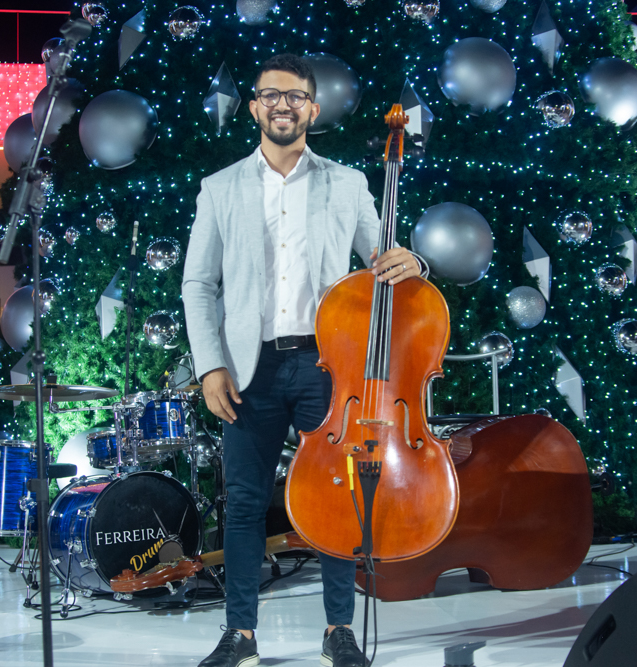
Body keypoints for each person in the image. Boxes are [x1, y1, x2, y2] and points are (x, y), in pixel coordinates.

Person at [181, 54, 422, 667]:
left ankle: (339, 629)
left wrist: (412, 261)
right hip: (247, 370)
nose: (282, 105)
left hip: (327, 367)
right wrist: (209, 366)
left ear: (312, 109)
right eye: (271, 95)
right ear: (254, 107)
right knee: (243, 503)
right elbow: (198, 284)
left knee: (337, 499)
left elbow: (383, 259)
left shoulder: (348, 184)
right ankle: (240, 634)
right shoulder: (219, 188)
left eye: (294, 96)